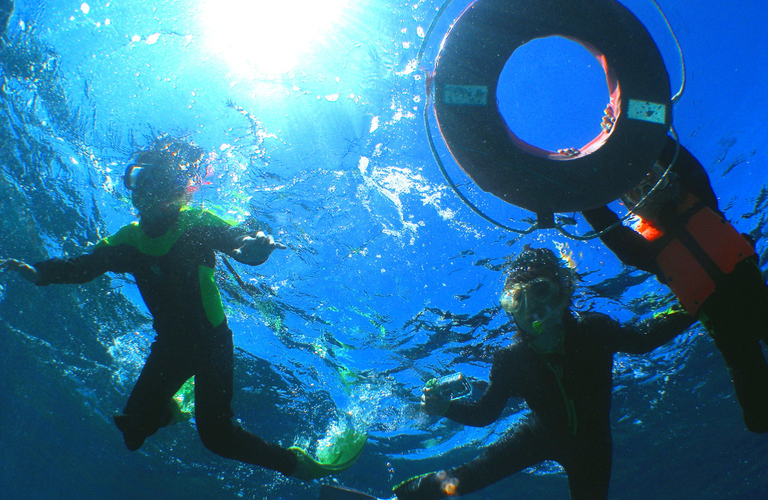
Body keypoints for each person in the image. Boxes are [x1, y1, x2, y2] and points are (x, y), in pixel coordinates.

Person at [0, 138, 335, 480]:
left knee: (217, 438)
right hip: (170, 347)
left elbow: (235, 240)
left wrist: (253, 247)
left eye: (157, 183)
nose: (146, 192)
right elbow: (83, 266)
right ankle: (167, 410)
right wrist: (41, 273)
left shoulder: (194, 223)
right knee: (133, 433)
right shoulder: (127, 241)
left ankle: (294, 464)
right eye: (138, 181)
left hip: (212, 346)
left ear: (178, 191)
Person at [393, 246, 694, 500]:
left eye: (540, 290)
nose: (532, 308)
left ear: (565, 292)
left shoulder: (595, 330)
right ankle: (400, 498)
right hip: (536, 436)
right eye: (517, 299)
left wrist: (693, 303)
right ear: (510, 309)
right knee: (464, 479)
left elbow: (642, 341)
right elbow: (485, 413)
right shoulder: (511, 358)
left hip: (591, 447)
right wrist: (445, 407)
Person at [581, 135, 768, 434]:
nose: (650, 192)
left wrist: (644, 129)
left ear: (671, 178)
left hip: (759, 306)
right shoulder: (646, 251)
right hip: (731, 337)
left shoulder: (700, 197)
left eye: (653, 180)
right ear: (633, 210)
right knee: (760, 413)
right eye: (638, 194)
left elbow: (682, 160)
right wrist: (583, 190)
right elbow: (610, 231)